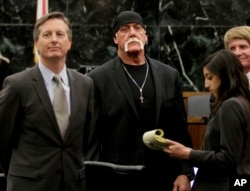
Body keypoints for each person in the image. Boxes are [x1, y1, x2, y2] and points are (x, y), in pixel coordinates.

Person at [87, 10, 194, 191]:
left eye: (138, 28)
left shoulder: (169, 75)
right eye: (124, 29)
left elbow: (180, 129)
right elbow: (92, 137)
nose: (132, 32)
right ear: (115, 39)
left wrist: (184, 173)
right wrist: (93, 177)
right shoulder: (98, 79)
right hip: (116, 177)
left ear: (145, 37)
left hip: (163, 176)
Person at [0, 11, 95, 191]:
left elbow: (85, 138)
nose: (54, 39)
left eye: (60, 34)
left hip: (73, 184)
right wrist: (20, 174)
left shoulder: (85, 84)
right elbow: (3, 139)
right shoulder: (17, 85)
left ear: (70, 42)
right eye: (46, 35)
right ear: (36, 43)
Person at [163, 49, 250, 191]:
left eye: (210, 77)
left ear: (225, 76)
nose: (206, 85)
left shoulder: (231, 105)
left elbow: (228, 159)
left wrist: (187, 153)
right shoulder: (242, 102)